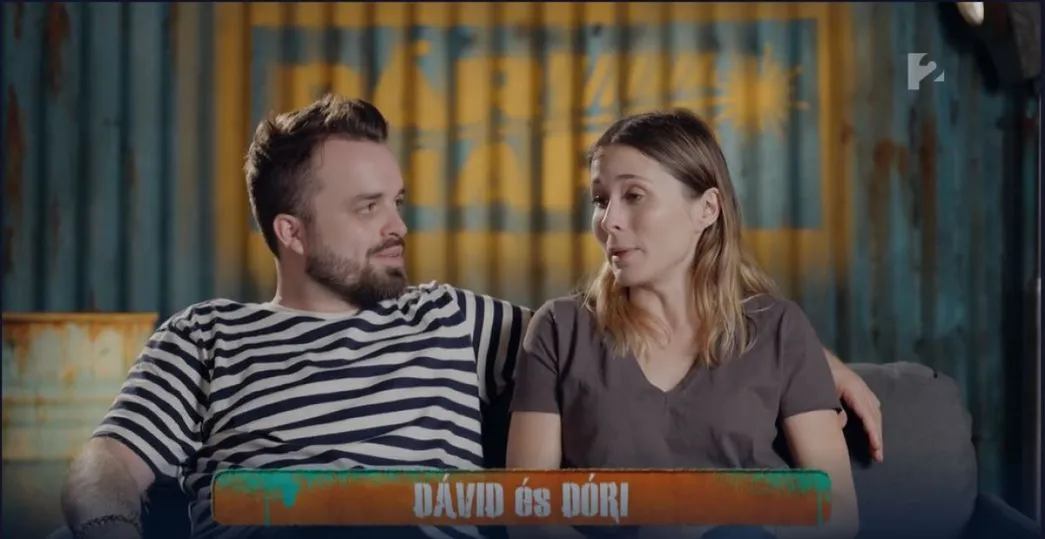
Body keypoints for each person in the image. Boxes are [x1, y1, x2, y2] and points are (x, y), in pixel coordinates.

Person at [56, 96, 878, 539]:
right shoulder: (205, 335)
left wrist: (813, 359)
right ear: (291, 232)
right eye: (368, 208)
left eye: (398, 201)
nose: (398, 225)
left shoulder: (453, 317)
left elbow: (637, 332)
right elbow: (106, 463)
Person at [506, 110, 862, 539]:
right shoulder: (559, 329)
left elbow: (838, 512)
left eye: (634, 195)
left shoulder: (780, 330)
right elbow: (529, 516)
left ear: (706, 209)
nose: (608, 220)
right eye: (600, 199)